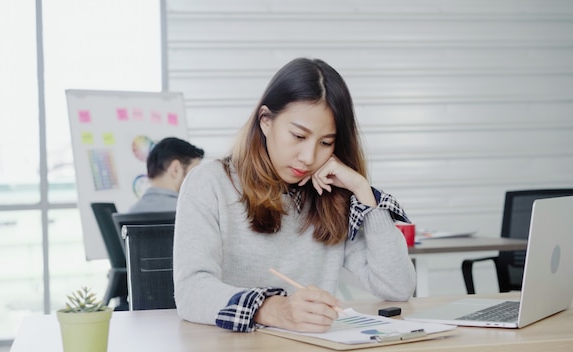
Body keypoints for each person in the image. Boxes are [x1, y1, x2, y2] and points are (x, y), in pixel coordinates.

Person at [173, 57, 416, 334]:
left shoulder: (331, 195)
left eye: (326, 143)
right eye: (299, 136)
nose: (309, 157)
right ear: (266, 121)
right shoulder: (210, 183)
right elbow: (190, 291)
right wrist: (272, 310)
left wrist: (364, 193)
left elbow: (398, 288)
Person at [128, 137, 204, 213]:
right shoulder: (193, 213)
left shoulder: (130, 213)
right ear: (176, 170)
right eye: (194, 173)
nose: (198, 181)